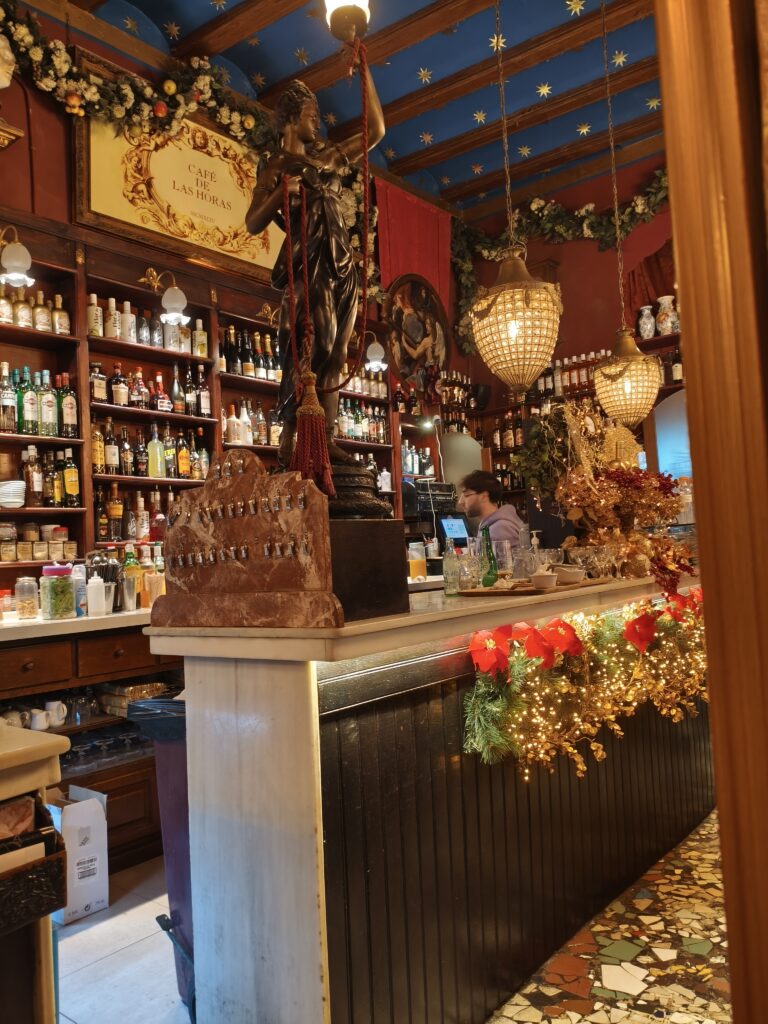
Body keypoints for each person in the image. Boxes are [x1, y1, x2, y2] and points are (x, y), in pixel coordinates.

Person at [245, 57, 385, 467]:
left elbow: (376, 130)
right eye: (311, 116)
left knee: (338, 352)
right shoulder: (275, 166)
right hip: (309, 261)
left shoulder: (330, 156)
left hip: (342, 263)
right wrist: (280, 192)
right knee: (313, 347)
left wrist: (365, 69)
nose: (318, 123)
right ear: (291, 118)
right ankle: (292, 434)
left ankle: (326, 437)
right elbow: (253, 222)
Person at [458, 470, 526, 544]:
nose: (460, 502)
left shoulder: (499, 529)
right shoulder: (491, 526)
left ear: (484, 496)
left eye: (466, 495)